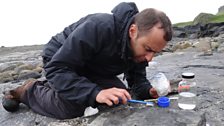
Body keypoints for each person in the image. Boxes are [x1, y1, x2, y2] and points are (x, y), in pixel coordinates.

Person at [2, 2, 172, 119]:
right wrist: (95, 92)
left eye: (155, 53)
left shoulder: (139, 49)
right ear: (133, 31)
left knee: (119, 96)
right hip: (60, 60)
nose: (149, 58)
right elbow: (58, 68)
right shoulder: (99, 27)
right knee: (74, 106)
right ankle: (28, 91)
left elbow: (137, 80)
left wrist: (148, 91)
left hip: (92, 67)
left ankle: (57, 86)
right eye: (148, 49)